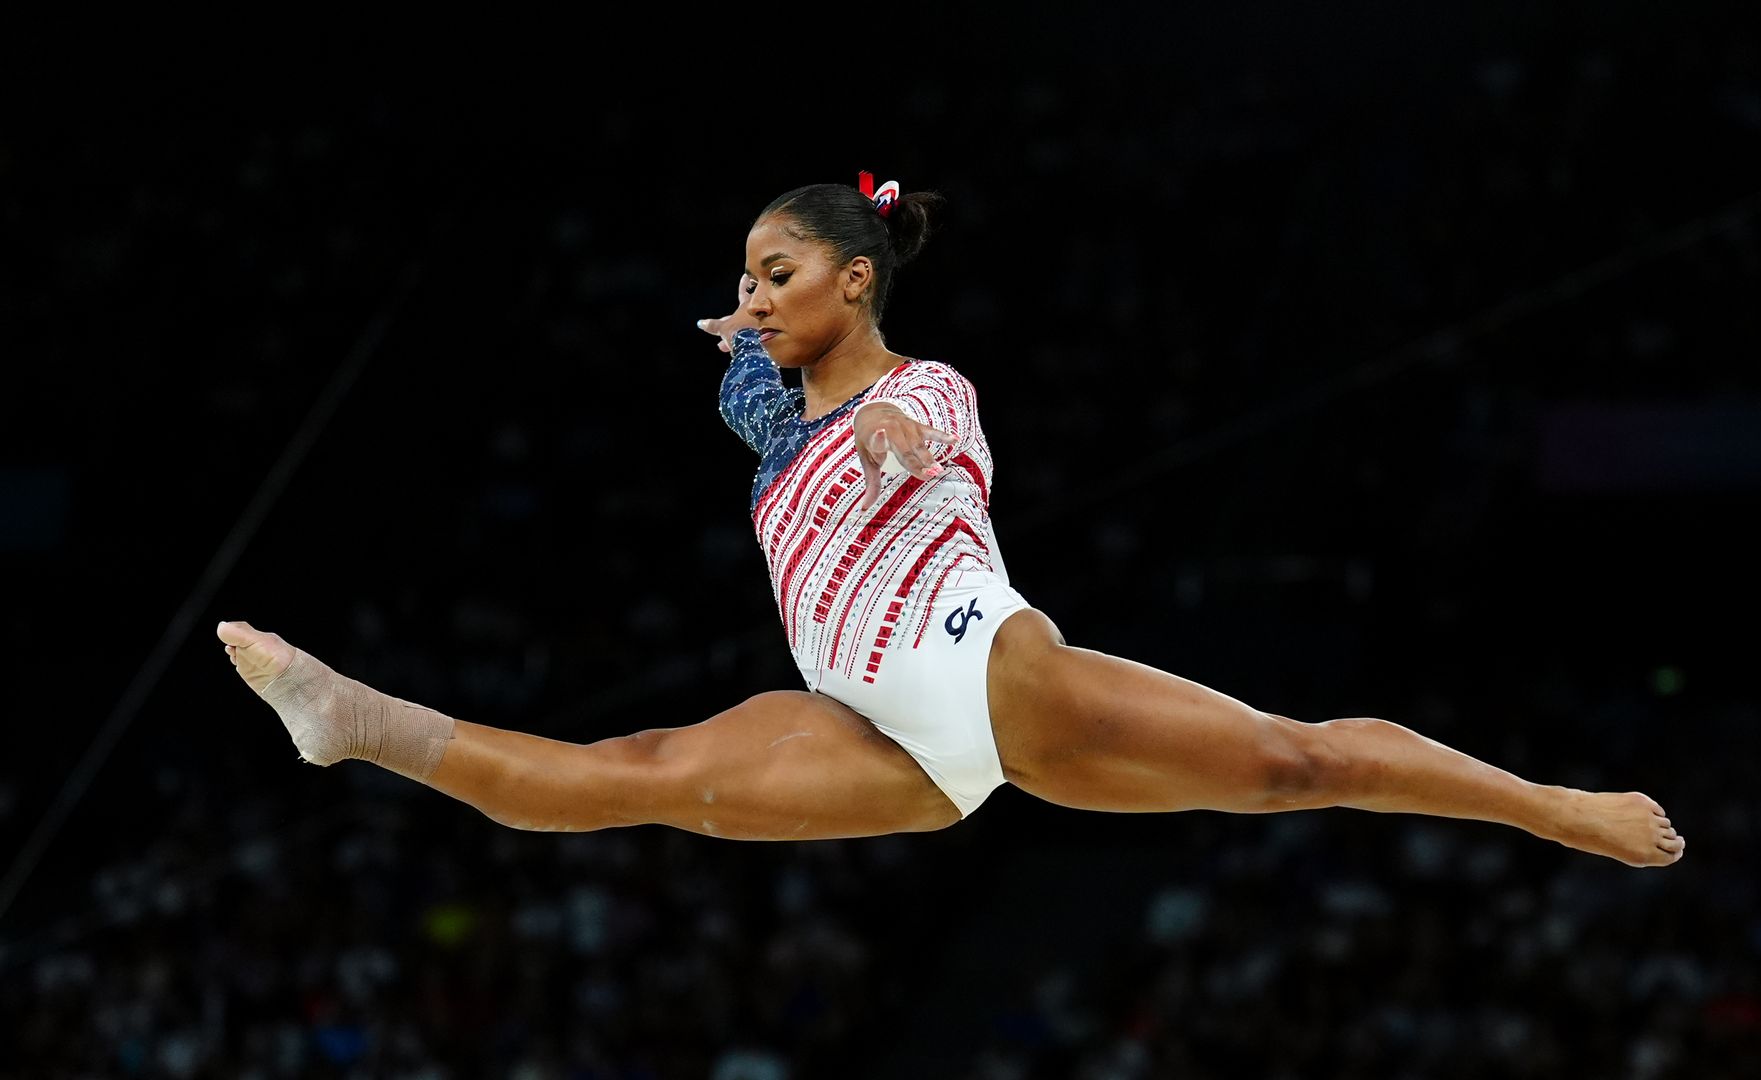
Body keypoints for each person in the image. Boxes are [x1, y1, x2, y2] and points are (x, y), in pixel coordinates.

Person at [219, 173, 1685, 868]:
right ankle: (361, 724)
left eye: (781, 267)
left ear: (857, 278)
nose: (757, 291)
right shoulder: (770, 427)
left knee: (1294, 765)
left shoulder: (924, 384)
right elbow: (749, 384)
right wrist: (748, 333)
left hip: (985, 667)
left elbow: (922, 434)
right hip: (890, 742)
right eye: (745, 273)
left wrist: (895, 441)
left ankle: (1559, 810)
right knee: (636, 772)